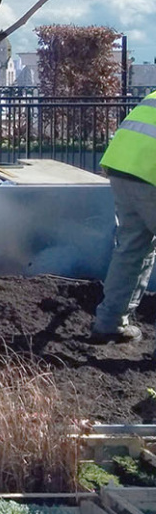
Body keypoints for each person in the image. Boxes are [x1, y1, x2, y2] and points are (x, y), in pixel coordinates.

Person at [91, 90, 156, 345]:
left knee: (133, 248)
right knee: (134, 248)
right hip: (150, 175)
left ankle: (109, 323)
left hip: (123, 169)